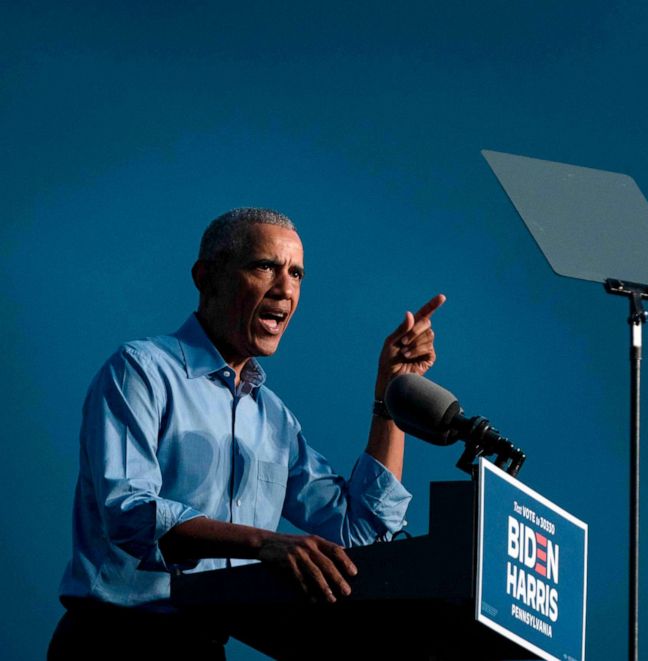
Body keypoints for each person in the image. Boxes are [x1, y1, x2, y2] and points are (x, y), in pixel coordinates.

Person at [48, 208, 445, 659]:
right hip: (113, 640)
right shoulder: (141, 370)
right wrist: (265, 543)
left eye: (296, 274)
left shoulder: (274, 421)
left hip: (203, 646)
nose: (285, 289)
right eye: (264, 267)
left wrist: (391, 397)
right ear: (206, 277)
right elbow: (130, 512)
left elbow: (361, 533)